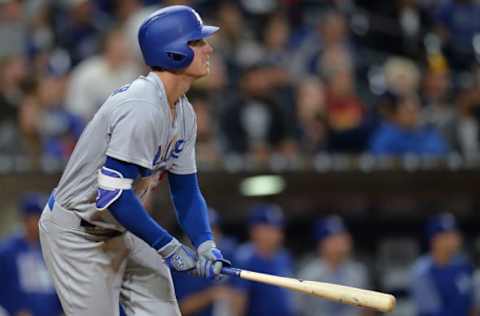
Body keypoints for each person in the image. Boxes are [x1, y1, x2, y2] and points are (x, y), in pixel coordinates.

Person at [38, 5, 229, 316]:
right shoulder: (141, 107)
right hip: (78, 235)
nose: (208, 48)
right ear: (174, 52)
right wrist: (167, 245)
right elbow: (112, 195)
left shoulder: (183, 112)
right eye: (197, 42)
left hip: (125, 227)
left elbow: (186, 191)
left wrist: (204, 241)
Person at [0, 193, 63, 316]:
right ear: (25, 219)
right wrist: (15, 308)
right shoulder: (8, 250)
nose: (41, 222)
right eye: (36, 217)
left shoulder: (51, 248)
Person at [230, 204, 296, 316]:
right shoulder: (245, 258)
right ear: (254, 230)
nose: (275, 233)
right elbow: (238, 303)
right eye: (268, 228)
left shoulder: (284, 255)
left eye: (277, 228)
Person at [297, 216, 370, 316]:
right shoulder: (309, 274)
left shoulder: (358, 271)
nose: (340, 241)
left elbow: (368, 308)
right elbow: (299, 309)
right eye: (333, 237)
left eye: (341, 235)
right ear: (321, 243)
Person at [172, 208, 238, 316]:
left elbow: (239, 296)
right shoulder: (178, 262)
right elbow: (178, 309)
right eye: (201, 231)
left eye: (213, 229)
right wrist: (210, 295)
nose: (210, 236)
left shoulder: (227, 256)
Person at [410, 213, 476, 316]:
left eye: (455, 234)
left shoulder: (464, 265)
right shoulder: (422, 271)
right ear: (434, 240)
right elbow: (430, 312)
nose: (454, 240)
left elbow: (473, 306)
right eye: (447, 236)